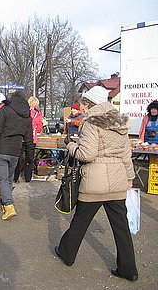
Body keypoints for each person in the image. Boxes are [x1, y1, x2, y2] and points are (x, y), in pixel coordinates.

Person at [55, 86, 138, 282]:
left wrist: (70, 145)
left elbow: (87, 154)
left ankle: (67, 255)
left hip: (95, 182)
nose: (83, 106)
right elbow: (127, 154)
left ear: (89, 103)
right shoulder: (120, 123)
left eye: (84, 103)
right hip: (117, 181)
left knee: (80, 222)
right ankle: (129, 270)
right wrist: (129, 178)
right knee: (121, 228)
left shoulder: (91, 123)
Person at [0, 91, 33, 220]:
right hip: (15, 152)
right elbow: (29, 139)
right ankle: (4, 203)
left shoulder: (5, 111)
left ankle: (9, 205)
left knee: (2, 180)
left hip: (1, 150)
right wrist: (30, 158)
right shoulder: (27, 116)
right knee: (8, 179)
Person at [18, 96, 43, 182]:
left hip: (21, 137)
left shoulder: (23, 112)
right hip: (32, 138)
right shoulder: (38, 114)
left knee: (19, 157)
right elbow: (39, 128)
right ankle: (28, 177)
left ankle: (15, 176)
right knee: (30, 159)